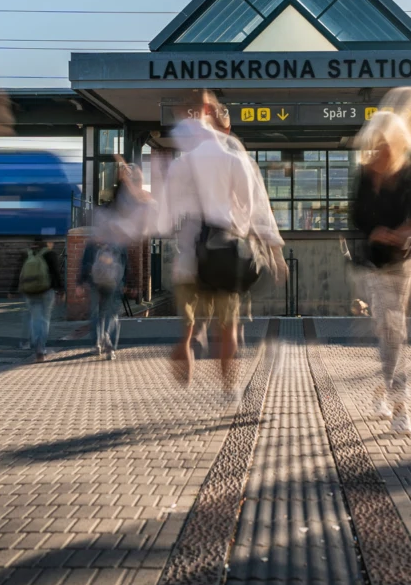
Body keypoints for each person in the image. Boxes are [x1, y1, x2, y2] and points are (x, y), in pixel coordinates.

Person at [159, 93, 283, 392]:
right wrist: (274, 251)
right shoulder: (235, 160)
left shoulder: (180, 165)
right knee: (227, 330)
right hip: (227, 256)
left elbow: (164, 218)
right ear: (224, 129)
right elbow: (257, 210)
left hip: (190, 258)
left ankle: (185, 346)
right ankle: (230, 390)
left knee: (189, 326)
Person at [351, 109, 411, 434]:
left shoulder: (405, 174)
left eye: (388, 142)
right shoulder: (364, 175)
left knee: (396, 332)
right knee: (389, 331)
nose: (384, 148)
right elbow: (355, 218)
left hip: (401, 264)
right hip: (374, 266)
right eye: (378, 142)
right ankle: (394, 401)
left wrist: (402, 232)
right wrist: (373, 232)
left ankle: (391, 399)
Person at [79, 161, 147, 359]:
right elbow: (127, 256)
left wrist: (81, 280)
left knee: (96, 313)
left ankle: (96, 344)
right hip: (114, 277)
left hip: (95, 275)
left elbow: (88, 251)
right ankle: (109, 343)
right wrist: (131, 282)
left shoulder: (100, 220)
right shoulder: (121, 230)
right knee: (111, 313)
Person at [18, 239, 62, 362]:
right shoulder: (50, 254)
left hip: (29, 291)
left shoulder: (27, 254)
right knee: (45, 319)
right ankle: (41, 348)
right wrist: (60, 290)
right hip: (46, 291)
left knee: (35, 318)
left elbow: (19, 273)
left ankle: (35, 344)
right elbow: (56, 273)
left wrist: (12, 290)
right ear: (47, 243)